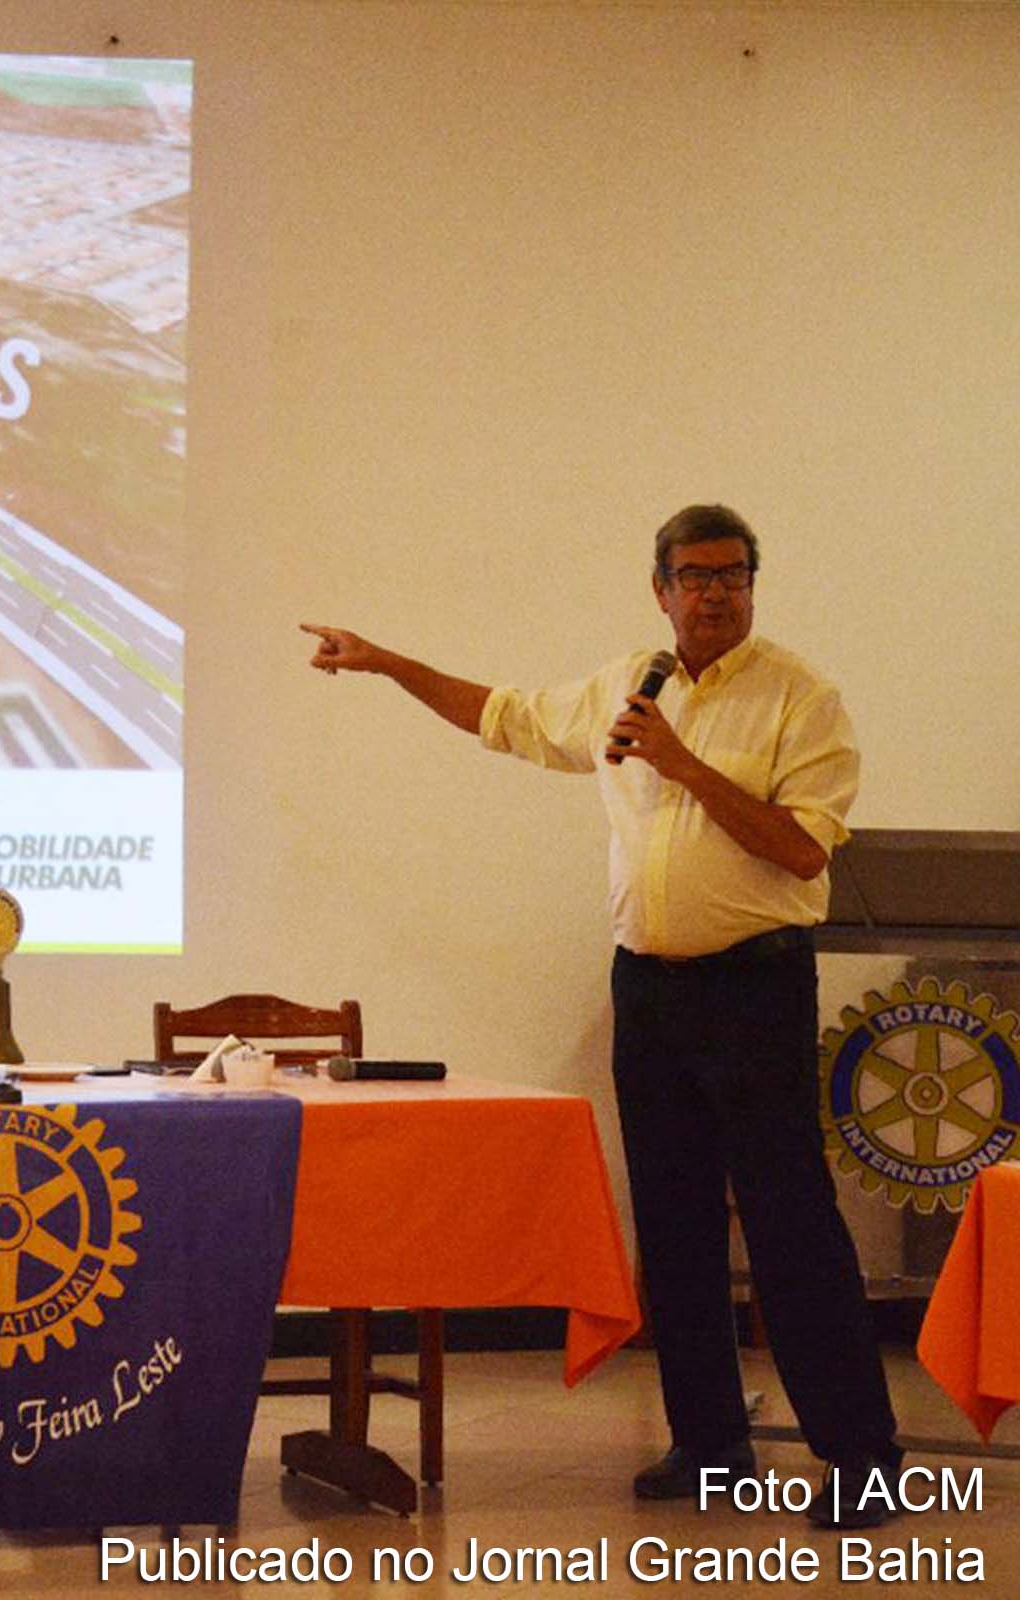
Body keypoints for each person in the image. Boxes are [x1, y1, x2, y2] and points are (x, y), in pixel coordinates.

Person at [302, 505, 900, 1530]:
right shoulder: (631, 681)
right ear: (659, 589)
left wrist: (680, 761)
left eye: (733, 574)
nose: (715, 591)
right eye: (694, 575)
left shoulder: (802, 698)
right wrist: (385, 661)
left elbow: (804, 852)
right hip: (650, 988)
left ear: (755, 585)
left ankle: (863, 1458)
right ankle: (713, 1447)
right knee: (671, 1227)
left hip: (755, 984)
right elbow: (503, 714)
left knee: (791, 1224)